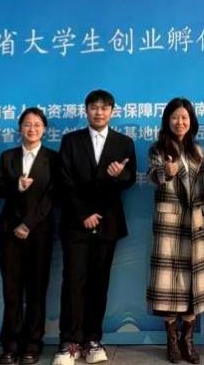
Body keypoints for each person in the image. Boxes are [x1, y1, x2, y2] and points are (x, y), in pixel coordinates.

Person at [53, 90, 137, 365]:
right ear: (86, 110)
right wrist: (84, 214)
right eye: (94, 107)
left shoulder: (124, 142)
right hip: (76, 224)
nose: (99, 112)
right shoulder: (71, 141)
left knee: (99, 283)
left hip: (108, 223)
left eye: (104, 108)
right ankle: (69, 341)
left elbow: (130, 179)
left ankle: (92, 339)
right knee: (73, 281)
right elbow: (64, 181)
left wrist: (119, 176)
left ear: (113, 111)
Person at [146, 98, 204, 364]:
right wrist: (166, 171)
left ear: (191, 121)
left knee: (193, 285)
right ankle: (171, 339)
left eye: (184, 117)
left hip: (196, 223)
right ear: (167, 120)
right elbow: (152, 176)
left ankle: (188, 339)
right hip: (170, 224)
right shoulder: (158, 149)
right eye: (175, 117)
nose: (180, 122)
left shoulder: (200, 151)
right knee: (168, 286)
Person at [0, 108, 61, 365]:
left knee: (36, 290)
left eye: (37, 125)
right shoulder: (8, 156)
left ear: (44, 129)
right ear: (20, 128)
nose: (32, 129)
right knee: (11, 291)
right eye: (27, 124)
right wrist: (16, 186)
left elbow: (52, 196)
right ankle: (10, 344)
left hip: (39, 232)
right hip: (9, 231)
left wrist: (28, 224)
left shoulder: (53, 158)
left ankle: (32, 343)